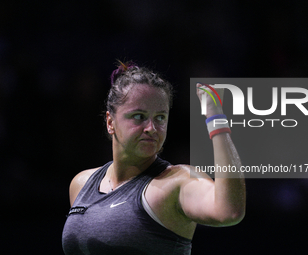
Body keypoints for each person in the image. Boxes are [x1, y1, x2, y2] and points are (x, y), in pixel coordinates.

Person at [62, 61, 246, 255]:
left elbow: (229, 211)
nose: (151, 128)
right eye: (139, 116)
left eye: (160, 118)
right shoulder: (81, 184)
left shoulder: (177, 182)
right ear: (110, 122)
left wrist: (216, 120)